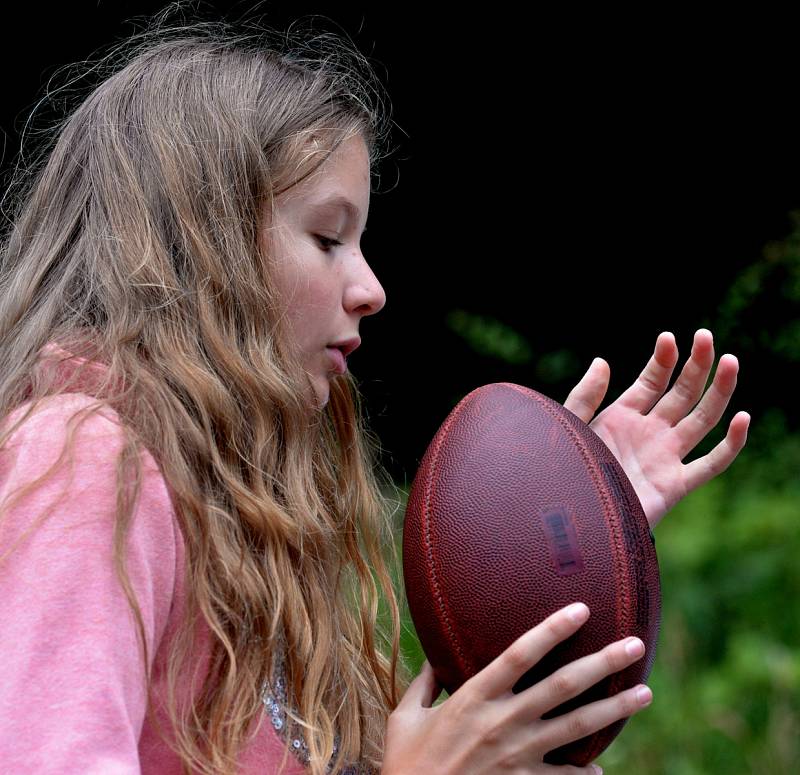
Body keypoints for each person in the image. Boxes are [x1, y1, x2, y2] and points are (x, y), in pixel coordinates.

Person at [0, 10, 749, 775]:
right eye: (328, 238)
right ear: (199, 246)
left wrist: (580, 536)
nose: (372, 289)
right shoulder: (87, 460)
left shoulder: (233, 513)